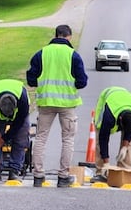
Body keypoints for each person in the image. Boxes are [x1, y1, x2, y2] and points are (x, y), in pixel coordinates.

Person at [26, 24, 88, 187]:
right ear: (69, 37)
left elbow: (31, 79)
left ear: (55, 35)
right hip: (67, 105)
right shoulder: (73, 55)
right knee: (68, 139)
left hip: (46, 103)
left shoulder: (42, 53)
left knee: (40, 138)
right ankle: (63, 176)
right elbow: (82, 82)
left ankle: (38, 175)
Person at [90, 86, 131, 183]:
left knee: (129, 143)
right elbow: (103, 138)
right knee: (99, 137)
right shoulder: (108, 116)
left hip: (124, 99)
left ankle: (124, 171)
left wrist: (125, 146)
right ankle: (101, 172)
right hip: (108, 99)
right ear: (120, 120)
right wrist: (106, 163)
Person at [0, 79, 31, 181]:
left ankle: (14, 171)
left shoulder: (22, 100)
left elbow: (18, 124)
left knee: (21, 138)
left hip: (19, 118)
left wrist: (2, 140)